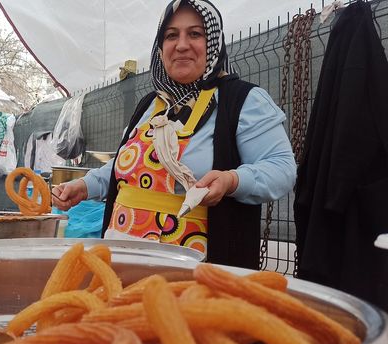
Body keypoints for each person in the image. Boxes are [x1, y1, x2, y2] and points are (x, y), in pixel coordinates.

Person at [51, 0, 296, 270]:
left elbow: (282, 168)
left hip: (198, 270)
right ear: (161, 48)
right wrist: (85, 186)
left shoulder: (243, 101)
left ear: (212, 42)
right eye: (171, 35)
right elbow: (126, 168)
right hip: (122, 258)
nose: (181, 45)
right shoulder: (150, 105)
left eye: (195, 34)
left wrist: (232, 180)